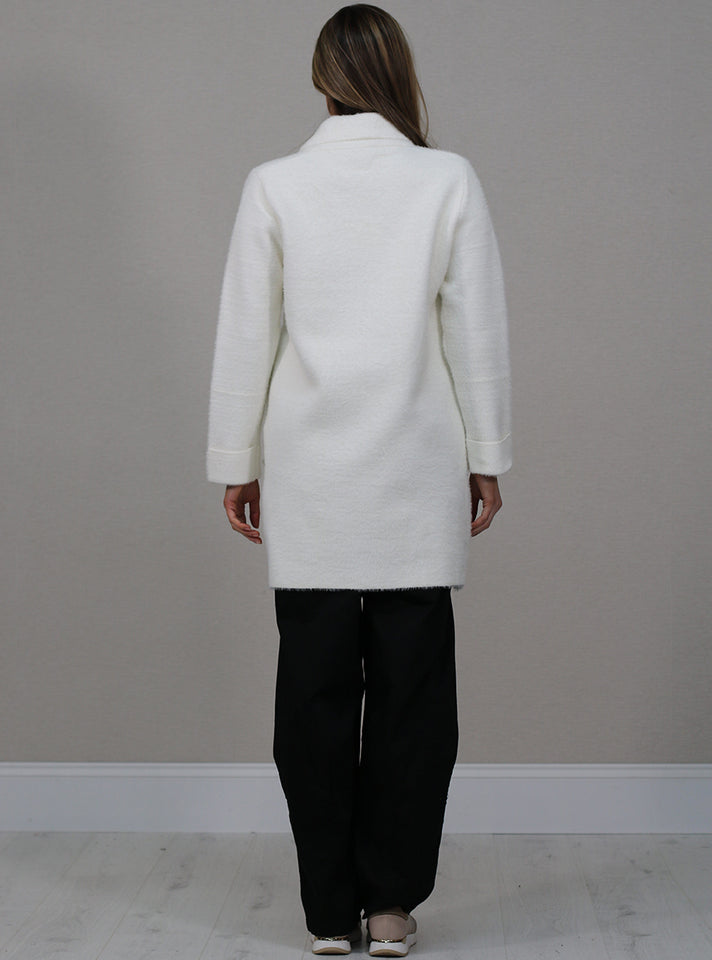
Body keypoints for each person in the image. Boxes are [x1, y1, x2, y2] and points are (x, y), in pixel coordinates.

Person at [205, 4, 512, 956]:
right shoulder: (446, 179)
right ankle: (389, 906)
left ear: (322, 78)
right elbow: (474, 328)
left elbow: (249, 330)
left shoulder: (275, 184)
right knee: (415, 703)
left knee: (313, 697)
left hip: (311, 473)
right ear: (398, 73)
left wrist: (236, 462)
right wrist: (486, 454)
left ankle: (327, 912)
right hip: (417, 467)